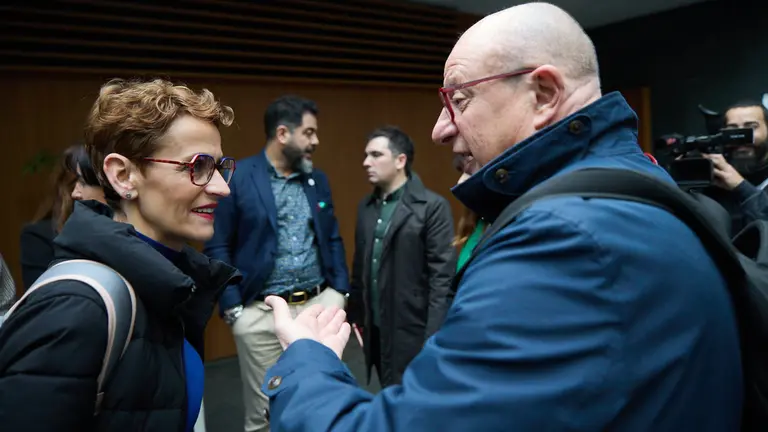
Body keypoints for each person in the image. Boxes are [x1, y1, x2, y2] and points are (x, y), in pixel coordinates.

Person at [255, 3, 743, 431]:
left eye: (458, 99)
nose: (440, 129)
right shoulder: (637, 185)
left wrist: (308, 361)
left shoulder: (563, 241)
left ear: (544, 93)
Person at [0, 78, 240, 431]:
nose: (222, 188)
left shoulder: (166, 284)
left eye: (220, 167)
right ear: (123, 175)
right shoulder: (75, 308)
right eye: (198, 167)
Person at [203, 95, 349, 432]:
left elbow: (331, 237)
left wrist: (340, 290)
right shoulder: (239, 177)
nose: (315, 141)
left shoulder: (317, 179)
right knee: (264, 413)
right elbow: (218, 244)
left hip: (318, 307)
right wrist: (233, 308)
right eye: (309, 133)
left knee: (322, 397)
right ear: (282, 134)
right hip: (260, 315)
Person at [348, 126, 455, 387]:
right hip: (375, 326)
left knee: (417, 398)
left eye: (375, 155)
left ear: (400, 160)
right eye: (366, 155)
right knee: (387, 393)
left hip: (413, 328)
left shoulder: (432, 207)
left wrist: (434, 337)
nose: (366, 162)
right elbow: (360, 265)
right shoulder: (366, 206)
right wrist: (356, 319)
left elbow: (442, 280)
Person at [19, 144, 105, 290]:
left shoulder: (125, 231)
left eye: (83, 183)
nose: (75, 193)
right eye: (75, 183)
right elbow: (43, 298)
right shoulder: (38, 235)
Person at [702, 100, 768, 234]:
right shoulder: (713, 181)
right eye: (732, 130)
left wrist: (741, 187)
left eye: (751, 127)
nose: (741, 136)